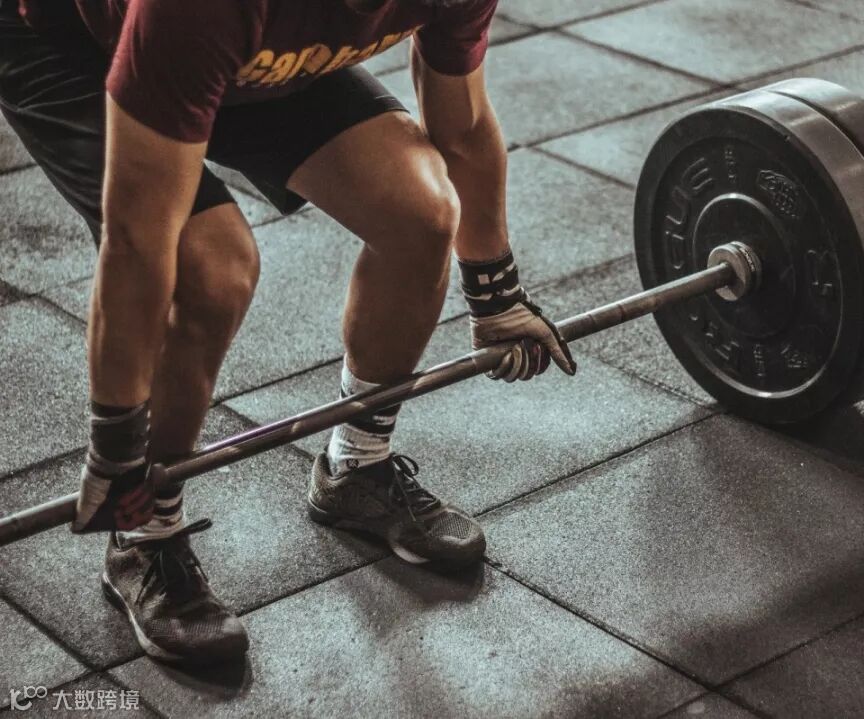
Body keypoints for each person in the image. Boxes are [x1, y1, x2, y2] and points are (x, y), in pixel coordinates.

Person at [0, 0, 575, 664]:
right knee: (211, 268)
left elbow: (464, 128)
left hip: (247, 49)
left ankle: (355, 467)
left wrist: (495, 294)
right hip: (70, 42)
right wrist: (116, 446)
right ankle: (143, 535)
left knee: (422, 211)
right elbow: (137, 240)